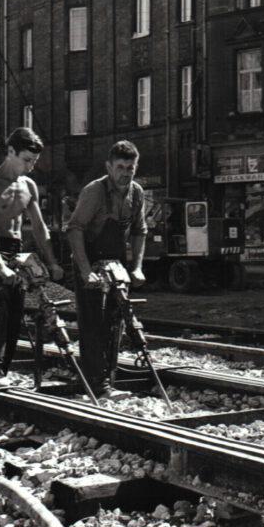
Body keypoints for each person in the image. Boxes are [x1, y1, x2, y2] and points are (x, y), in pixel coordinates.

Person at [0, 127, 63, 384]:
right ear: (10, 151)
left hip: (14, 249)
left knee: (16, 307)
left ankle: (3, 369)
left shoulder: (28, 185)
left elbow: (39, 227)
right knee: (0, 294)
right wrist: (0, 266)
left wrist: (53, 262)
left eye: (34, 161)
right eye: (26, 160)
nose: (31, 166)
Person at [67, 140, 148, 396]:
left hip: (116, 262)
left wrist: (137, 267)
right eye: (120, 167)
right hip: (89, 259)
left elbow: (139, 231)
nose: (125, 173)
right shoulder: (95, 191)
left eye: (130, 168)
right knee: (92, 322)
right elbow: (75, 229)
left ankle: (108, 379)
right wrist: (85, 271)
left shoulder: (137, 193)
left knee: (116, 319)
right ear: (109, 167)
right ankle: (95, 383)